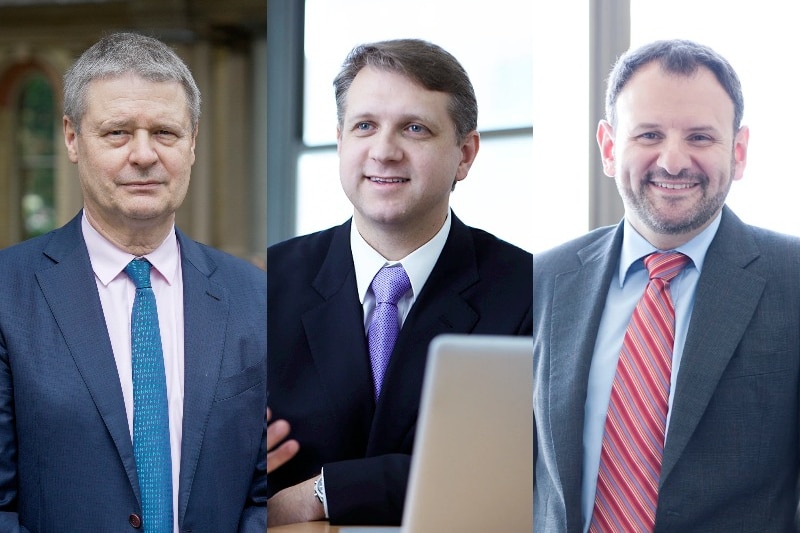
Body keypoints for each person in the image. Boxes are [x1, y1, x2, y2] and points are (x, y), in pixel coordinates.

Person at [0, 33, 267, 532]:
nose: (144, 155)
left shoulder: (254, 298)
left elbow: (262, 493)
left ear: (193, 143)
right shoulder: (7, 294)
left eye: (165, 133)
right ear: (73, 138)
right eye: (117, 133)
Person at [532, 38, 800, 532]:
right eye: (649, 134)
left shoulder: (792, 278)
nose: (673, 161)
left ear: (738, 152)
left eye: (700, 137)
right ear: (610, 148)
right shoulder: (542, 280)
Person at [266, 38, 533, 526]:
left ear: (465, 154)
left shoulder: (530, 291)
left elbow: (517, 469)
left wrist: (320, 493)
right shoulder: (260, 287)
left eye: (415, 128)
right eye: (364, 126)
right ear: (341, 141)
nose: (384, 152)